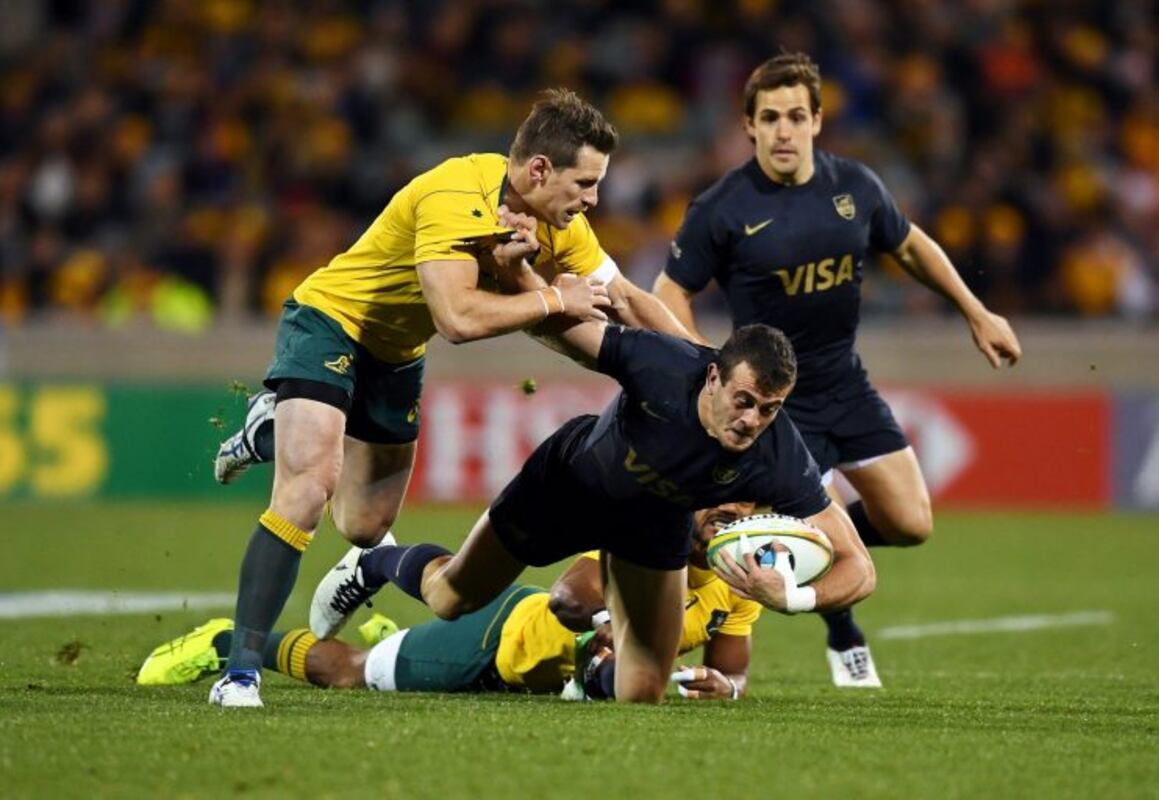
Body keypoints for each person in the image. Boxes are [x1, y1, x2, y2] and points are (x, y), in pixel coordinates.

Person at [208, 89, 691, 708]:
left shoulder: (559, 223)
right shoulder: (455, 192)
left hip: (396, 354)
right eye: (586, 182)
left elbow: (623, 298)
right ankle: (241, 672)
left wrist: (706, 367)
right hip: (331, 320)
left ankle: (269, 429)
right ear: (540, 169)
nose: (594, 199)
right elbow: (459, 318)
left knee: (364, 524)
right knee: (307, 486)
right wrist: (549, 298)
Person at [650, 52, 1024, 688]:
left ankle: (821, 546)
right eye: (770, 118)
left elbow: (908, 244)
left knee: (912, 523)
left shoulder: (856, 187)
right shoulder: (722, 207)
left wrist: (975, 310)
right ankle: (773, 639)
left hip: (845, 383)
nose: (784, 130)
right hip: (776, 405)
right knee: (728, 532)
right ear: (749, 126)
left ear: (818, 120)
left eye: (797, 116)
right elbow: (667, 290)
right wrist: (707, 365)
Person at [309, 320, 876, 704]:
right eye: (744, 401)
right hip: (571, 485)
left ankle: (586, 675)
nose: (752, 421)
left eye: (769, 409)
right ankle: (376, 562)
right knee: (452, 596)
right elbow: (562, 331)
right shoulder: (662, 366)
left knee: (643, 690)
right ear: (713, 377)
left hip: (652, 522)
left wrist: (796, 598)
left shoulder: (780, 457)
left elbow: (859, 569)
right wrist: (535, 291)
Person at [137, 503, 761, 701]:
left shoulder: (740, 586)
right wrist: (607, 631)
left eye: (747, 513)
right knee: (350, 673)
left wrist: (723, 685)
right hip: (498, 643)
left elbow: (733, 667)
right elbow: (574, 595)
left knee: (444, 590)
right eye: (723, 508)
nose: (731, 520)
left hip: (537, 679)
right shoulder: (650, 549)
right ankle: (224, 641)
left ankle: (385, 606)